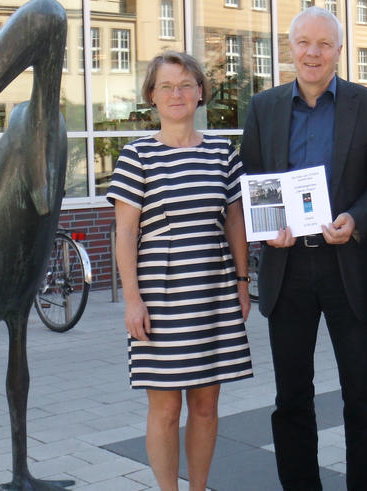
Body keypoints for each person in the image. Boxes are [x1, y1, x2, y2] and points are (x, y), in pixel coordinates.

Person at [240, 6, 367, 490]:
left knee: (362, 395)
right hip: (287, 269)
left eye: (324, 44)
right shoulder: (263, 107)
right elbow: (253, 180)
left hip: (348, 264)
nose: (313, 53)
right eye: (304, 43)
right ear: (290, 48)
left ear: (338, 51)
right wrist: (267, 228)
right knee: (291, 398)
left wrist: (357, 220)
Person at [106, 51, 253, 491]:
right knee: (166, 410)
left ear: (201, 93)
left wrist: (243, 283)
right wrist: (132, 299)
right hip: (160, 297)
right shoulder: (138, 155)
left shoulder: (222, 152)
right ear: (151, 95)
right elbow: (125, 233)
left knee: (206, 406)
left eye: (186, 84)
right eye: (167, 86)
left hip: (212, 292)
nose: (177, 94)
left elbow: (235, 220)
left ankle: (199, 488)